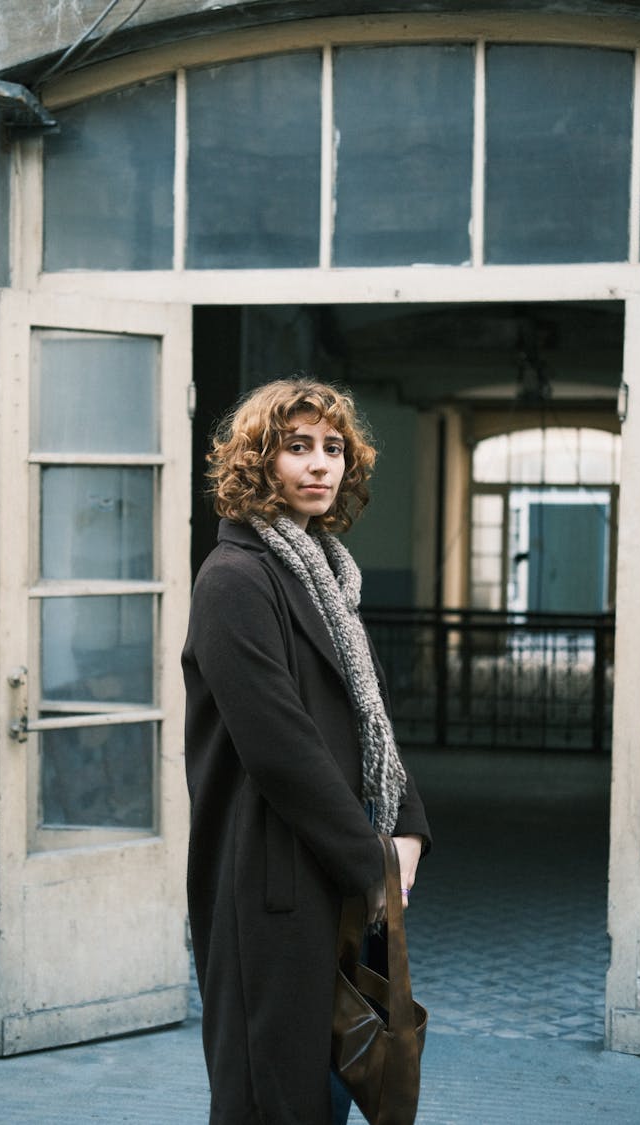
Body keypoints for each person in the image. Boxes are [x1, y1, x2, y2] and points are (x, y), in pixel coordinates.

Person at [182, 378, 431, 1125]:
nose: (319, 465)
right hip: (274, 874)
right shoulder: (234, 579)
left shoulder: (326, 574)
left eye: (332, 449)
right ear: (258, 463)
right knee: (271, 1093)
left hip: (334, 859)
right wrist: (373, 865)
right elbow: (280, 746)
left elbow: (369, 717)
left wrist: (408, 827)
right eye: (296, 448)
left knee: (332, 1078)